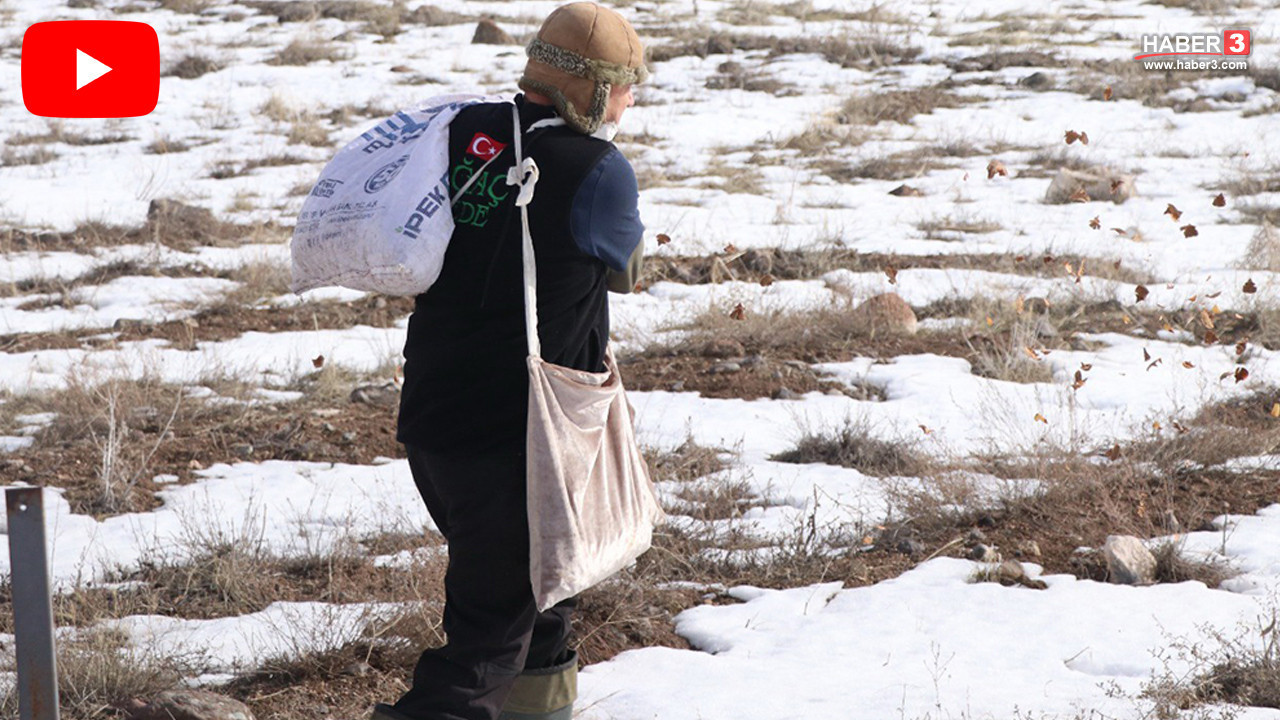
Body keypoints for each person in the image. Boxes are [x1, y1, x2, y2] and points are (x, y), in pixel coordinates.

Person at [375, 4, 648, 720]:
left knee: (542, 594)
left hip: (435, 416)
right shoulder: (598, 170)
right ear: (590, 88)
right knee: (485, 644)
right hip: (521, 440)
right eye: (625, 86)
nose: (630, 102)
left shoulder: (464, 131)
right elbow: (624, 268)